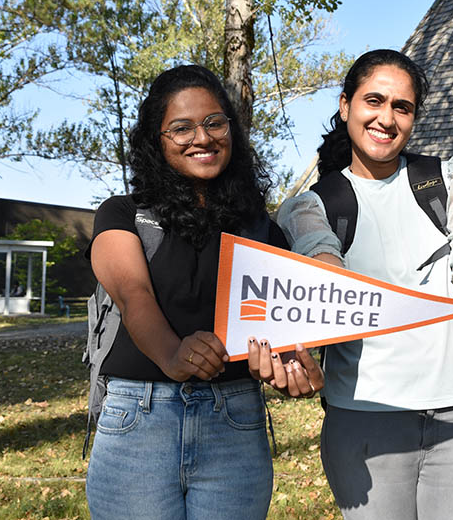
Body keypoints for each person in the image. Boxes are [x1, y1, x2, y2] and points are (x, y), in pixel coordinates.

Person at [277, 49, 453, 520]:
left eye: (402, 106)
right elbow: (328, 286)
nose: (386, 118)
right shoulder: (315, 207)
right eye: (373, 101)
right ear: (345, 105)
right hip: (365, 418)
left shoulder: (447, 182)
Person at [85, 64, 322, 520]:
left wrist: (292, 367)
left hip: (233, 424)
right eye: (181, 127)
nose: (203, 137)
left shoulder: (261, 230)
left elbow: (281, 327)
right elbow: (133, 293)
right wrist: (173, 354)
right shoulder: (122, 214)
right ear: (156, 139)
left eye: (215, 122)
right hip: (139, 419)